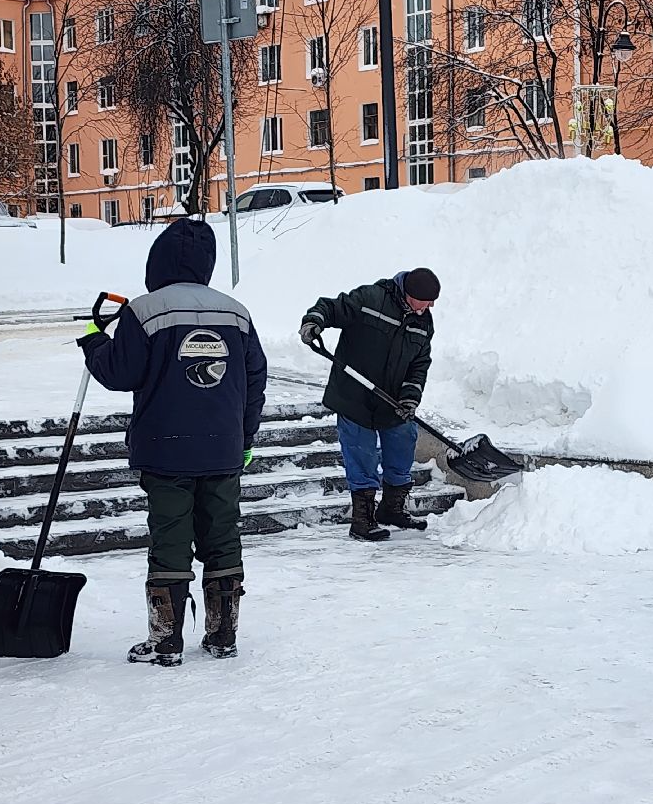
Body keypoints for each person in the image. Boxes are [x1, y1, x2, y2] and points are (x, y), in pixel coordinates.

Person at [78, 219, 267, 667]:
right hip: (222, 449)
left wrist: (92, 341)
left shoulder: (143, 311)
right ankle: (224, 636)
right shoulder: (235, 313)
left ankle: (165, 642)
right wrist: (244, 438)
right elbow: (255, 380)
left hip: (164, 450)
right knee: (223, 537)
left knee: (170, 540)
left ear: (157, 261)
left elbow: (119, 373)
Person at [300, 268, 438, 541]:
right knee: (361, 454)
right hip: (355, 396)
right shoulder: (371, 298)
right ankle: (362, 520)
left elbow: (419, 365)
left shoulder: (423, 323)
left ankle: (391, 508)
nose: (431, 306)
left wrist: (409, 398)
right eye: (427, 300)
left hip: (393, 401)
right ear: (410, 295)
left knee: (402, 445)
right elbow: (331, 307)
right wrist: (314, 321)